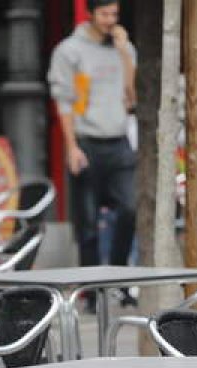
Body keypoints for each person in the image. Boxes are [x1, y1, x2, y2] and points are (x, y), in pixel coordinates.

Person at [48, 0, 137, 287]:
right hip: (86, 141)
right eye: (104, 14)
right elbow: (64, 102)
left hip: (119, 140)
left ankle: (119, 277)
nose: (110, 20)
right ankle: (90, 287)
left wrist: (124, 53)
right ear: (90, 15)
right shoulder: (69, 51)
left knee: (130, 208)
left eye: (115, 14)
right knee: (87, 223)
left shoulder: (124, 48)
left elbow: (131, 97)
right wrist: (71, 146)